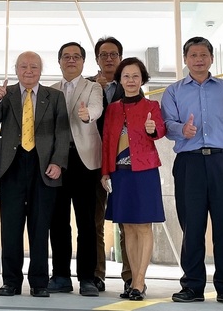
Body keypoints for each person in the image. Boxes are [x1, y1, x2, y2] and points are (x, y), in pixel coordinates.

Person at [160, 37, 223, 306]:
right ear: (185, 59)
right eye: (193, 55)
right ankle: (192, 286)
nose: (199, 60)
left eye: (203, 55)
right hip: (190, 164)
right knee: (192, 227)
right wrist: (181, 130)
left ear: (211, 58)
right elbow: (167, 124)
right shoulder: (173, 91)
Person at [0, 51, 71, 298]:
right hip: (11, 165)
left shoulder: (54, 97)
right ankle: (10, 282)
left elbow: (62, 133)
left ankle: (39, 283)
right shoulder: (6, 94)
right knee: (10, 227)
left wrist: (58, 162)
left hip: (43, 166)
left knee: (40, 225)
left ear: (41, 70)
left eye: (34, 66)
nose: (29, 71)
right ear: (16, 69)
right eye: (23, 66)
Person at [101, 57, 166, 302]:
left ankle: (139, 281)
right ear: (120, 79)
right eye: (126, 76)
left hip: (145, 171)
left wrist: (152, 129)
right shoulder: (113, 108)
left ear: (142, 80)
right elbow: (107, 140)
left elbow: (160, 131)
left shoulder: (152, 106)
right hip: (120, 173)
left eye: (135, 76)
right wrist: (105, 171)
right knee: (127, 226)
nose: (130, 80)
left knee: (143, 226)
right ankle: (133, 281)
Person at [48, 42, 103, 297]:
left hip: (84, 162)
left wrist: (86, 115)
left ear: (83, 62)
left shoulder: (93, 87)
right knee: (57, 221)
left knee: (86, 223)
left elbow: (96, 109)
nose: (71, 60)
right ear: (59, 62)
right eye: (66, 57)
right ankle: (60, 276)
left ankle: (87, 278)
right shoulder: (51, 90)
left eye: (76, 57)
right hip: (57, 162)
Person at [89, 36, 127, 294]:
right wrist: (98, 90)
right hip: (93, 161)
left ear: (120, 58)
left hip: (124, 163)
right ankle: (96, 275)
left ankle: (132, 276)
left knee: (128, 222)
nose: (109, 59)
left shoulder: (131, 83)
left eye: (114, 54)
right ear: (97, 60)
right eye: (104, 55)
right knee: (95, 222)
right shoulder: (87, 85)